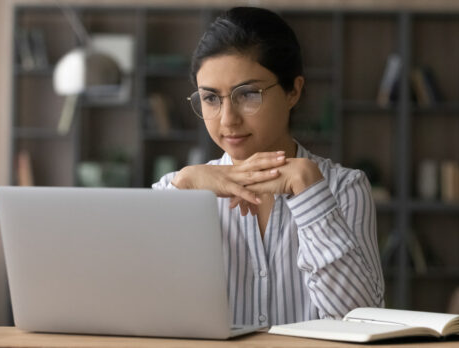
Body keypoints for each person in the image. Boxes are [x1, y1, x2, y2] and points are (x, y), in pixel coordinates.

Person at [153, 7, 384, 326]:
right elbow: (139, 309)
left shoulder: (345, 188)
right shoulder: (174, 190)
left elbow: (362, 320)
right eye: (211, 98)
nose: (227, 119)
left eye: (247, 94)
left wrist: (310, 194)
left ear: (294, 91)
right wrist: (185, 186)